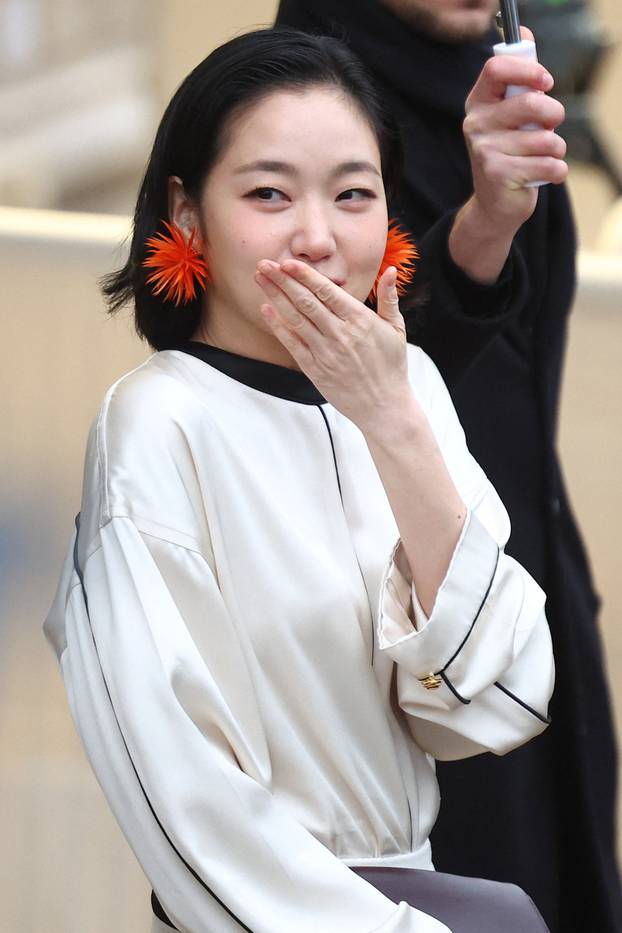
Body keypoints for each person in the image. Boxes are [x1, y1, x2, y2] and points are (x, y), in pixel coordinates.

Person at [45, 28, 555, 933]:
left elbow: (499, 693)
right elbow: (186, 799)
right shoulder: (158, 424)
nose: (318, 238)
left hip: (416, 891)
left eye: (354, 193)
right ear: (187, 212)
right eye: (269, 193)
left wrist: (394, 422)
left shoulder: (404, 386)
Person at [273, 3, 622, 932]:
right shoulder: (294, 96)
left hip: (526, 607)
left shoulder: (496, 79)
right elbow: (318, 369)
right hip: (391, 654)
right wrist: (481, 228)